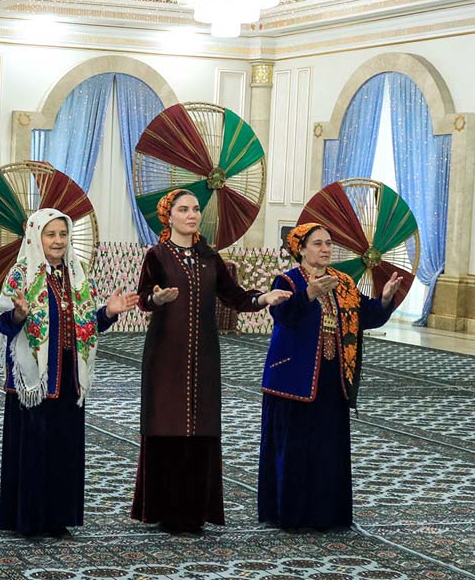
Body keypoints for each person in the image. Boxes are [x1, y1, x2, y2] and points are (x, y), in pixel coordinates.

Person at [132, 189, 291, 532]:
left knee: (200, 424)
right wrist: (157, 299)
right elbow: (143, 298)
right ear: (169, 216)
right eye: (184, 209)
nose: (192, 215)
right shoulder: (157, 256)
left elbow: (234, 296)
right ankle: (165, 511)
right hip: (165, 356)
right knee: (167, 424)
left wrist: (264, 298)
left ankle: (195, 512)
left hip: (204, 355)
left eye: (195, 209)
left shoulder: (210, 257)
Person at [0, 208, 139, 537]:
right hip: (33, 381)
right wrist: (18, 315)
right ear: (36, 237)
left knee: (64, 448)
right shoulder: (21, 274)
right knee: (33, 447)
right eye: (51, 234)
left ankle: (58, 519)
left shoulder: (77, 273)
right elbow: (1, 324)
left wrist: (108, 312)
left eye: (63, 234)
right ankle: (28, 520)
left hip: (70, 377)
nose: (58, 241)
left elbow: (88, 325)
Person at [258, 223, 401, 530]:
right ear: (301, 249)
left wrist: (385, 299)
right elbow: (284, 317)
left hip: (333, 379)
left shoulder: (343, 282)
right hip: (292, 378)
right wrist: (308, 294)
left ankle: (326, 515)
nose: (325, 249)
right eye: (317, 243)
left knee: (326, 448)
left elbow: (366, 315)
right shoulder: (288, 280)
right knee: (294, 447)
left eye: (328, 243)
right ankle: (291, 515)